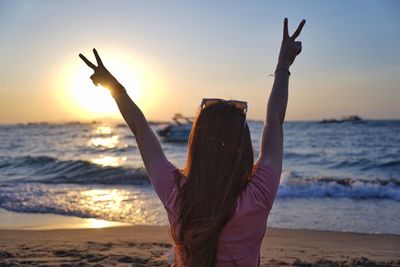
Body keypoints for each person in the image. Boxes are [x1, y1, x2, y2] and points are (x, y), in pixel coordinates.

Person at [79, 17, 305, 267]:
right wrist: (283, 66)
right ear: (242, 147)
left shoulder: (176, 193)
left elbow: (141, 130)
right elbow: (274, 121)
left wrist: (115, 88)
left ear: (196, 142)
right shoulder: (258, 195)